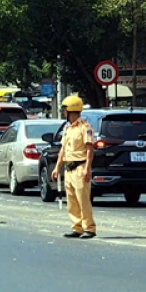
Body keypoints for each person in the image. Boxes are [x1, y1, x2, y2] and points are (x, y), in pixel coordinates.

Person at [50, 94, 96, 239]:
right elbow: (63, 150)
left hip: (80, 167)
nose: (64, 112)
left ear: (71, 110)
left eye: (65, 109)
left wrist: (87, 168)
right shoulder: (68, 129)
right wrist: (57, 168)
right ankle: (77, 227)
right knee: (71, 200)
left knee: (83, 199)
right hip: (69, 168)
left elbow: (89, 149)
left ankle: (89, 228)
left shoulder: (85, 127)